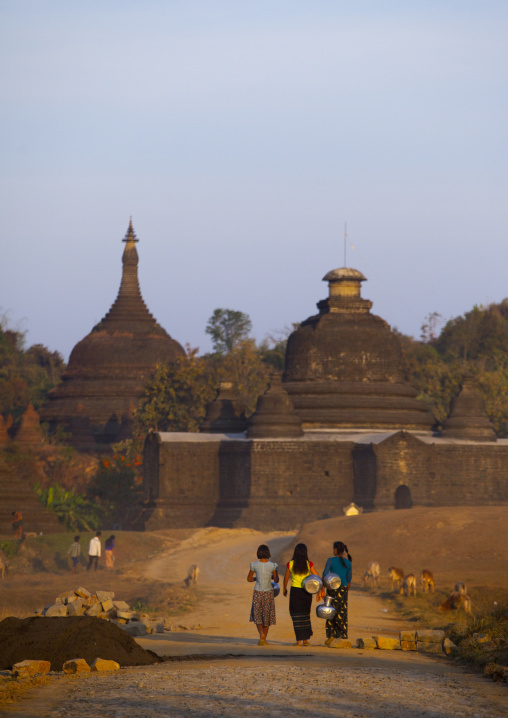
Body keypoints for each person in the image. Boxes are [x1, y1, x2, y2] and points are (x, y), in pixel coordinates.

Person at [283, 543, 319, 646]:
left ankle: (298, 641)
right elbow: (316, 577)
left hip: (295, 592)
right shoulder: (309, 564)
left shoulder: (290, 564)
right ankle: (305, 640)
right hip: (307, 592)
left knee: (295, 615)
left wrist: (285, 588)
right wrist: (320, 590)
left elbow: (286, 578)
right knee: (305, 615)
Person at [321, 540, 352, 646]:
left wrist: (322, 590)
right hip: (343, 589)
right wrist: (345, 592)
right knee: (342, 613)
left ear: (335, 550)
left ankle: (331, 636)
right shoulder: (348, 562)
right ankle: (342, 636)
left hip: (332, 589)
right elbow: (348, 580)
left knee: (330, 612)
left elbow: (325, 575)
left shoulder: (330, 560)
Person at [247, 544, 279, 646]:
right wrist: (271, 577)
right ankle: (264, 638)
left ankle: (261, 635)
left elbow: (249, 579)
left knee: (257, 615)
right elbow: (277, 579)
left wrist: (256, 578)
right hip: (269, 592)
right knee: (267, 615)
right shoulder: (273, 565)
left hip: (257, 592)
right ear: (268, 553)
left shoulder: (254, 565)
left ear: (258, 553)